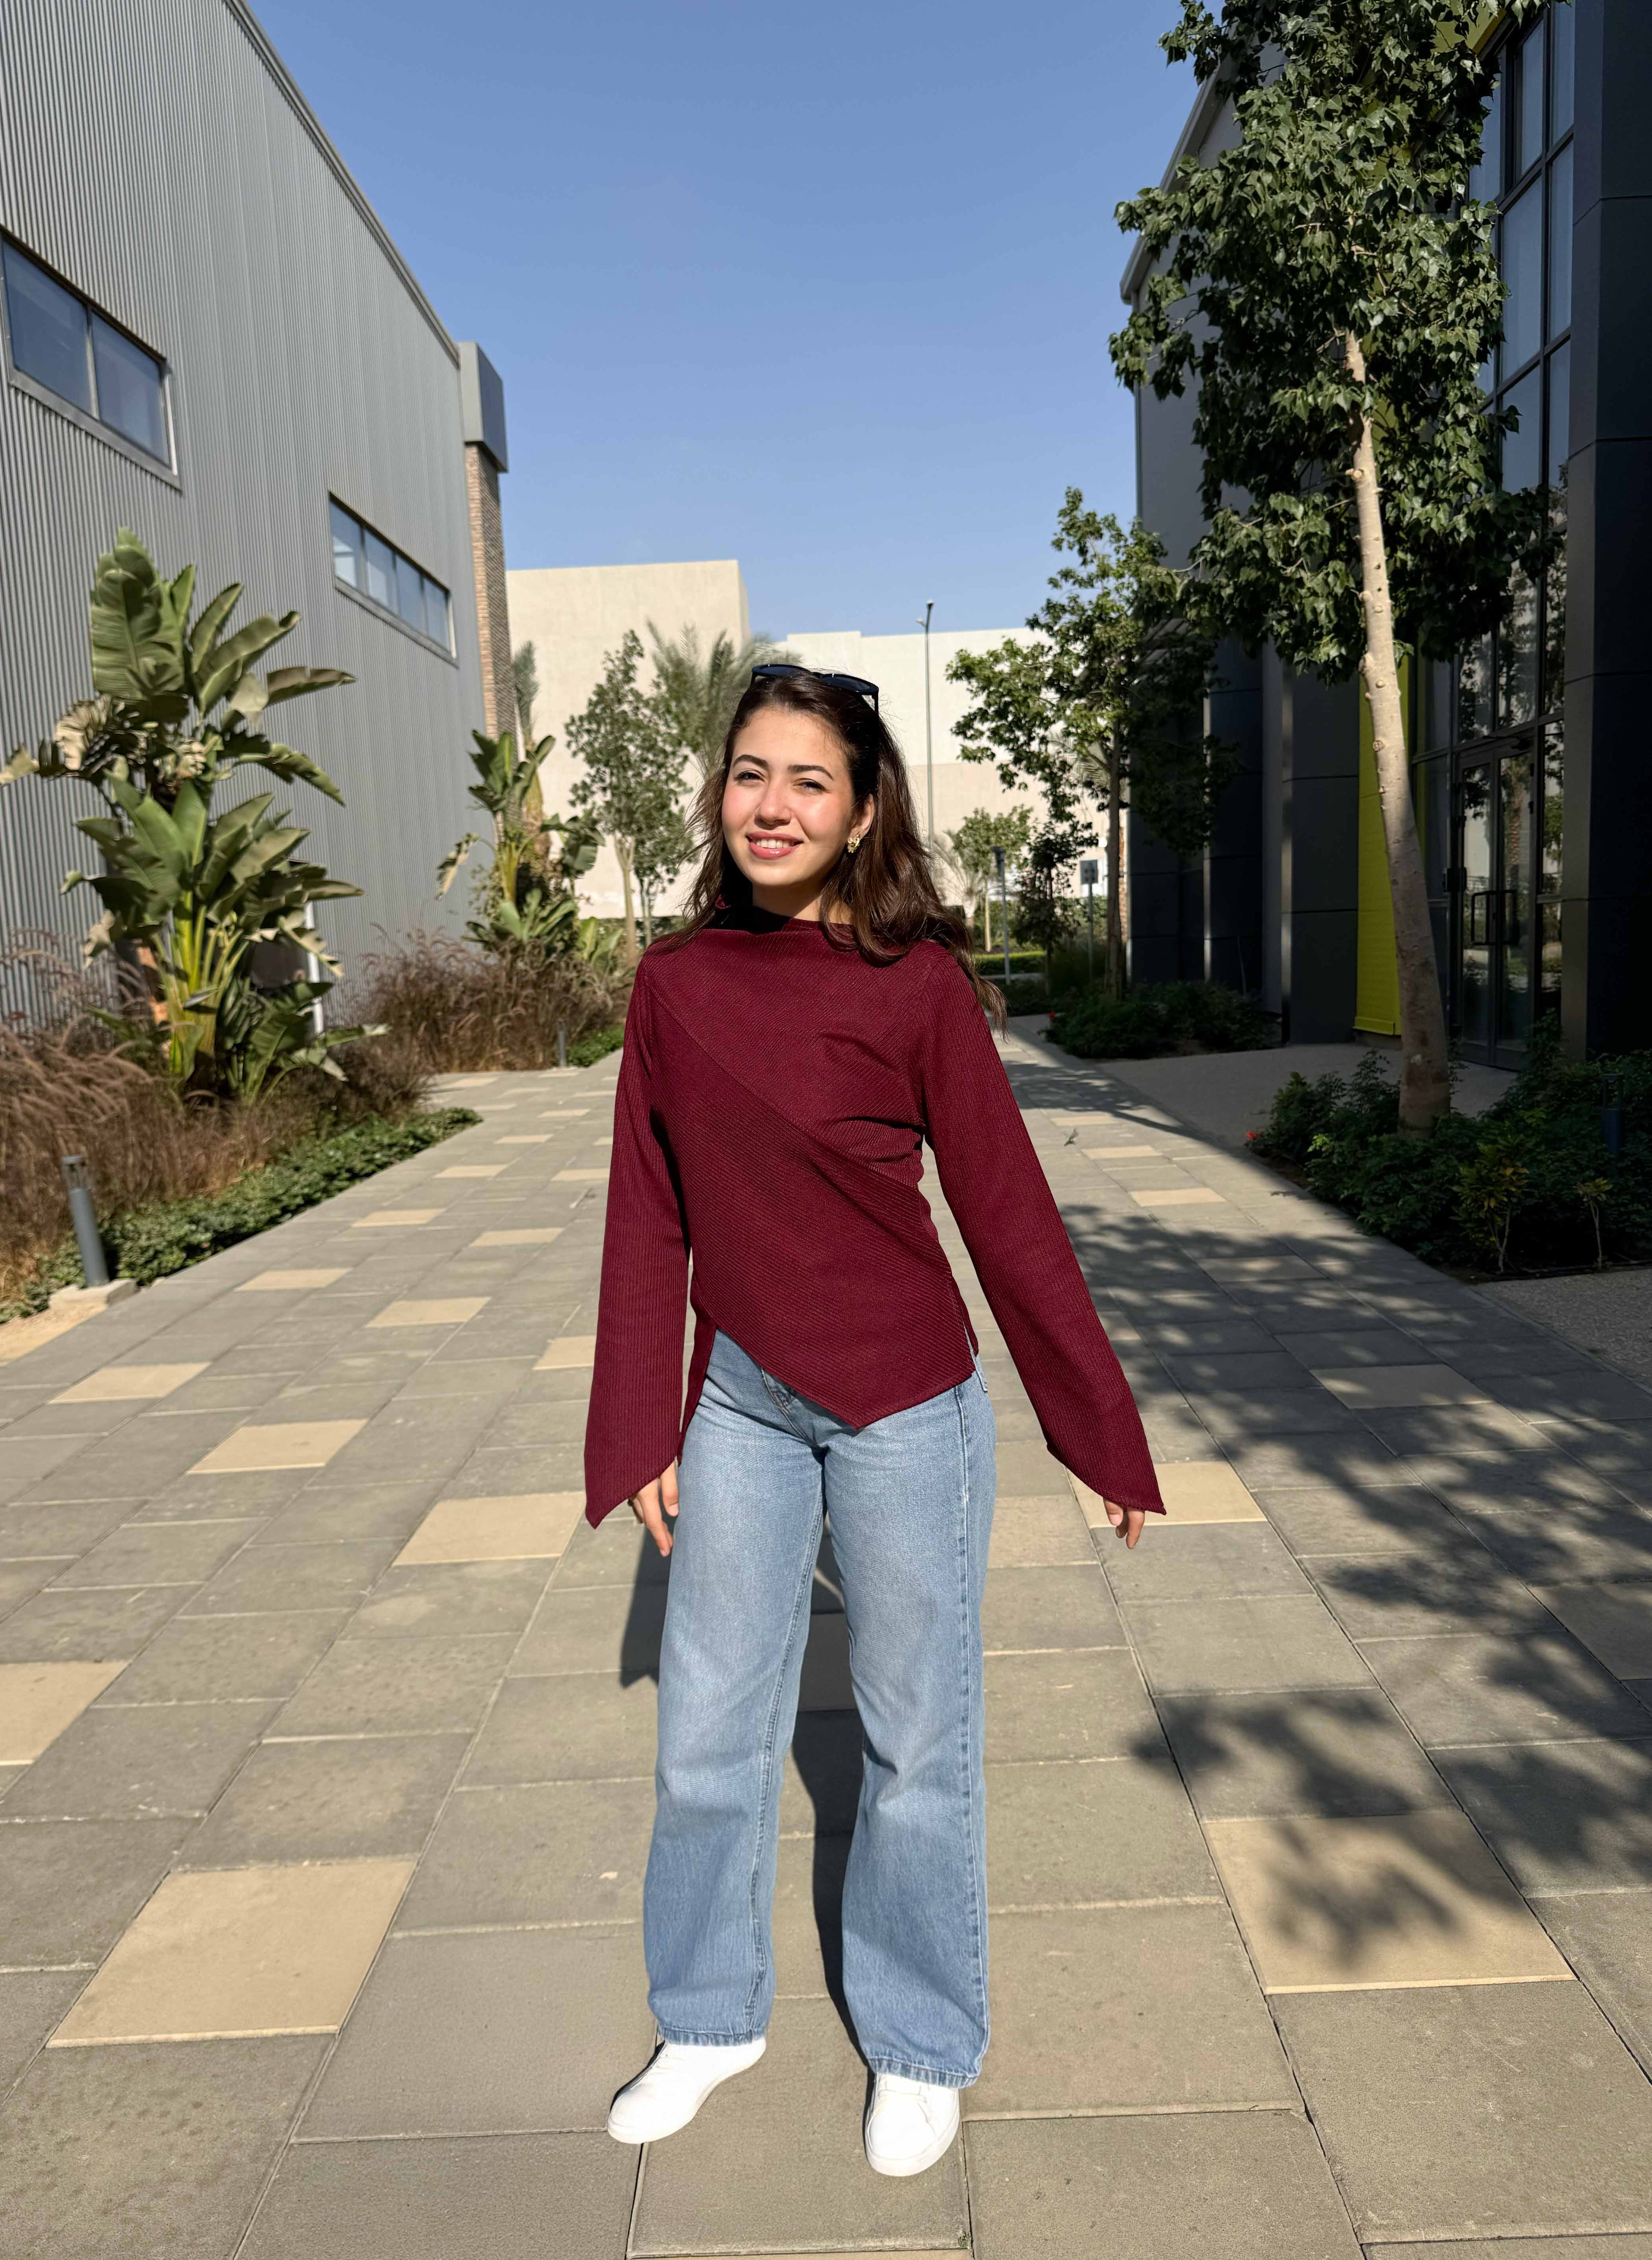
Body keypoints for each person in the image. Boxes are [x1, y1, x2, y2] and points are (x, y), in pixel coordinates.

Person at [583, 663, 1161, 2178]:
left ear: (863, 810)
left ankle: (920, 2040)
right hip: (742, 1406)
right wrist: (641, 1417)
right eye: (749, 773)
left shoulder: (916, 989)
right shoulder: (674, 986)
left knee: (915, 1739)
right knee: (708, 1729)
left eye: (809, 782)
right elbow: (647, 1212)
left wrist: (1094, 1427)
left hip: (910, 1406)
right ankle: (710, 2018)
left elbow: (1011, 1217)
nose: (771, 805)